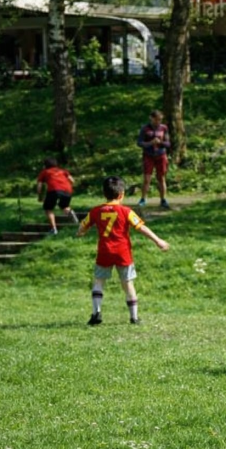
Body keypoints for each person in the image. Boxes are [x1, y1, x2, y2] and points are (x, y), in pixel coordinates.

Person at [77, 176, 169, 326]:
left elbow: (82, 226)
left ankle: (96, 313)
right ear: (121, 194)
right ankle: (134, 317)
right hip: (122, 252)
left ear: (104, 193)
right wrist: (158, 240)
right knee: (128, 284)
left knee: (99, 282)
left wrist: (80, 232)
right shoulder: (126, 211)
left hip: (104, 251)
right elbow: (141, 227)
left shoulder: (95, 211)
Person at [137, 110, 172, 209]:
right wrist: (150, 143)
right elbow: (139, 143)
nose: (158, 122)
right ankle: (143, 199)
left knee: (161, 178)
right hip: (148, 155)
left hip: (161, 155)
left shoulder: (164, 128)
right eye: (156, 119)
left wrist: (160, 142)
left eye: (160, 120)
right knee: (147, 179)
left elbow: (168, 143)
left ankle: (163, 200)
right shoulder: (145, 129)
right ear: (151, 118)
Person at [36, 157, 79, 235]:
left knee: (48, 209)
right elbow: (72, 180)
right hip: (67, 190)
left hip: (54, 190)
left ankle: (54, 229)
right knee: (64, 206)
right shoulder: (63, 171)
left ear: (45, 165)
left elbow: (39, 186)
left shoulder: (45, 172)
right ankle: (70, 212)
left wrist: (39, 195)